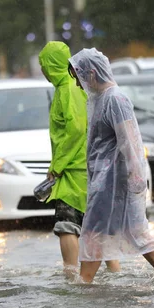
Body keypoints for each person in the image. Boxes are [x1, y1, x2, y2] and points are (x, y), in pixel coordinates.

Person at [68, 48, 154, 283]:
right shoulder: (99, 100)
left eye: (80, 78)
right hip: (105, 181)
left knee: (99, 232)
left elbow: (130, 141)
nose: (79, 85)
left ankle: (84, 282)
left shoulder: (115, 99)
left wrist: (135, 177)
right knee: (124, 231)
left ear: (93, 73)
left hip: (116, 181)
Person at [39, 41, 120, 279]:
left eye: (44, 65)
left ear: (52, 64)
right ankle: (115, 274)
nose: (43, 71)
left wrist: (57, 167)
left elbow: (74, 130)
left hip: (74, 171)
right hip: (85, 168)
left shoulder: (68, 89)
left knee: (66, 223)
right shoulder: (72, 87)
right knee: (95, 225)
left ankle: (71, 274)